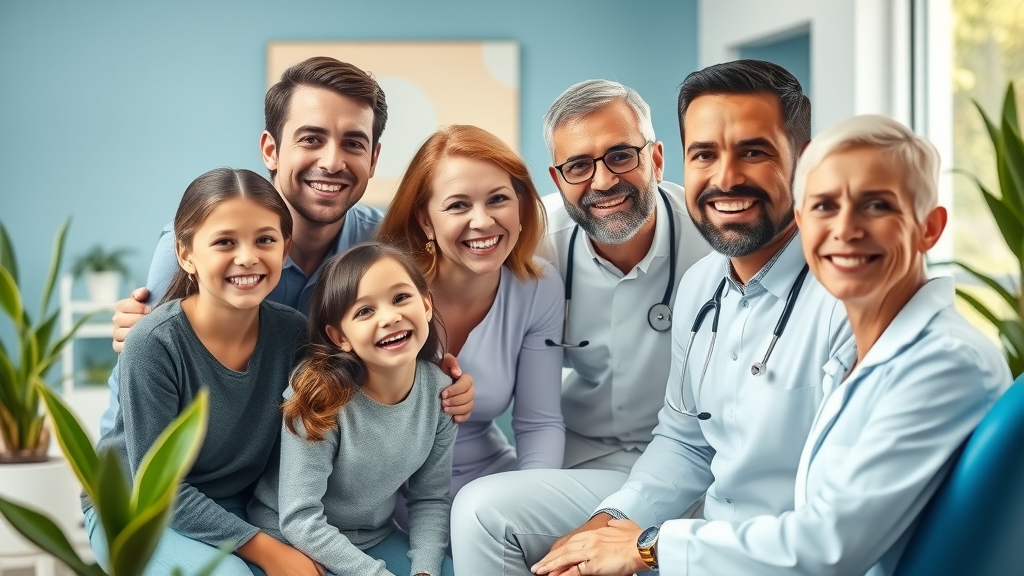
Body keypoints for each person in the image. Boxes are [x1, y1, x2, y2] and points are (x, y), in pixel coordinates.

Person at [533, 114, 1012, 576]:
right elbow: (687, 442)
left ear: (930, 228)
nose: (845, 229)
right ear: (802, 221)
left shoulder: (944, 362)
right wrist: (616, 532)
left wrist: (647, 548)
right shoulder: (869, 353)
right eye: (824, 207)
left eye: (876, 206)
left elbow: (827, 547)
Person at [100, 56, 473, 436]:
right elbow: (145, 375)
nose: (332, 162)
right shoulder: (192, 250)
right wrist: (140, 332)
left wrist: (441, 380)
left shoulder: (386, 248)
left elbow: (411, 353)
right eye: (311, 139)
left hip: (311, 458)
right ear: (271, 149)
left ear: (373, 158)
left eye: (353, 143)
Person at [450, 79, 710, 573]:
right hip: (586, 466)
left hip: (699, 470)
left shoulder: (714, 238)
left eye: (621, 156)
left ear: (656, 159)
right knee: (481, 511)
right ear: (557, 177)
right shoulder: (532, 243)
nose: (603, 181)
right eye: (578, 166)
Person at [83, 168, 320, 576]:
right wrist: (267, 551)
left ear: (285, 249)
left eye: (264, 240)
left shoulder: (293, 333)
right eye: (225, 242)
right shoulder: (153, 344)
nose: (247, 257)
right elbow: (159, 488)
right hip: (138, 509)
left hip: (234, 507)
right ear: (186, 254)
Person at [375, 125, 565, 503]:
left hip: (492, 481)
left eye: (498, 199)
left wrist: (531, 504)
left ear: (520, 205)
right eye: (458, 205)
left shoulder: (539, 287)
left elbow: (539, 423)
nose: (482, 221)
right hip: (390, 492)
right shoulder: (381, 287)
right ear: (425, 221)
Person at [248, 243, 458, 576]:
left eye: (401, 298)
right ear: (339, 337)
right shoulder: (318, 397)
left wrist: (425, 572)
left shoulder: (442, 394)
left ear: (426, 305)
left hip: (373, 538)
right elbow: (300, 518)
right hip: (293, 540)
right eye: (365, 311)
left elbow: (429, 499)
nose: (390, 317)